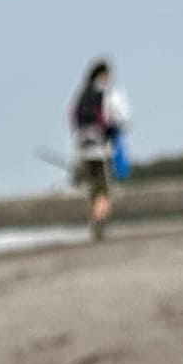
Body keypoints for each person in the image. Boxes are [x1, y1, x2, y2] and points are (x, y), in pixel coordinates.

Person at [68, 61, 129, 237]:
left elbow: (73, 120)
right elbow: (120, 118)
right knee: (104, 189)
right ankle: (98, 223)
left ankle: (95, 221)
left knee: (93, 189)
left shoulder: (81, 95)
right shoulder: (106, 94)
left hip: (82, 148)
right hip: (101, 149)